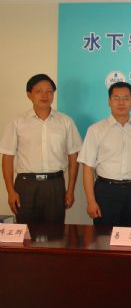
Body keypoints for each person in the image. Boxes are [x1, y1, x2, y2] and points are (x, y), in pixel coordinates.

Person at [0, 74, 81, 224]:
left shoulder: (65, 122)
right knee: (26, 232)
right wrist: (10, 191)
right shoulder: (18, 122)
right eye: (39, 91)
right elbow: (7, 158)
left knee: (55, 233)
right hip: (26, 185)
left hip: (54, 185)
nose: (45, 95)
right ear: (29, 94)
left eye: (49, 91)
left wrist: (70, 190)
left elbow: (73, 158)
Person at [79, 82, 131, 227]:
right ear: (109, 101)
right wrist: (91, 201)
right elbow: (88, 168)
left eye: (126, 98)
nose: (121, 103)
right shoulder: (95, 130)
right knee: (104, 237)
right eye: (116, 98)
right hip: (106, 191)